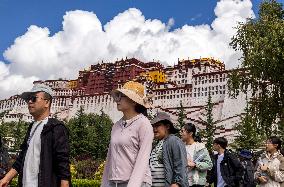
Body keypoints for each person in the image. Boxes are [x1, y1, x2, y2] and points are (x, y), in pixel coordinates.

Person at [0, 84, 71, 187]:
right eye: (28, 99)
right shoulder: (31, 127)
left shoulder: (55, 127)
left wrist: (65, 184)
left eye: (34, 98)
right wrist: (6, 178)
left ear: (46, 102)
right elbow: (21, 159)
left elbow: (62, 161)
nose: (29, 102)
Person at [101, 81, 154, 187]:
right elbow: (109, 158)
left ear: (134, 101)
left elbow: (143, 159)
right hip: (114, 182)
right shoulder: (116, 126)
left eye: (122, 96)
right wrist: (105, 184)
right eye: (118, 96)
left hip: (138, 182)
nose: (118, 99)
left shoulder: (144, 124)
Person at [149, 112, 189, 187]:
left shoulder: (173, 140)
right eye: (153, 126)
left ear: (167, 126)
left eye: (157, 126)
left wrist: (177, 183)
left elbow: (181, 163)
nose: (154, 129)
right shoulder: (158, 144)